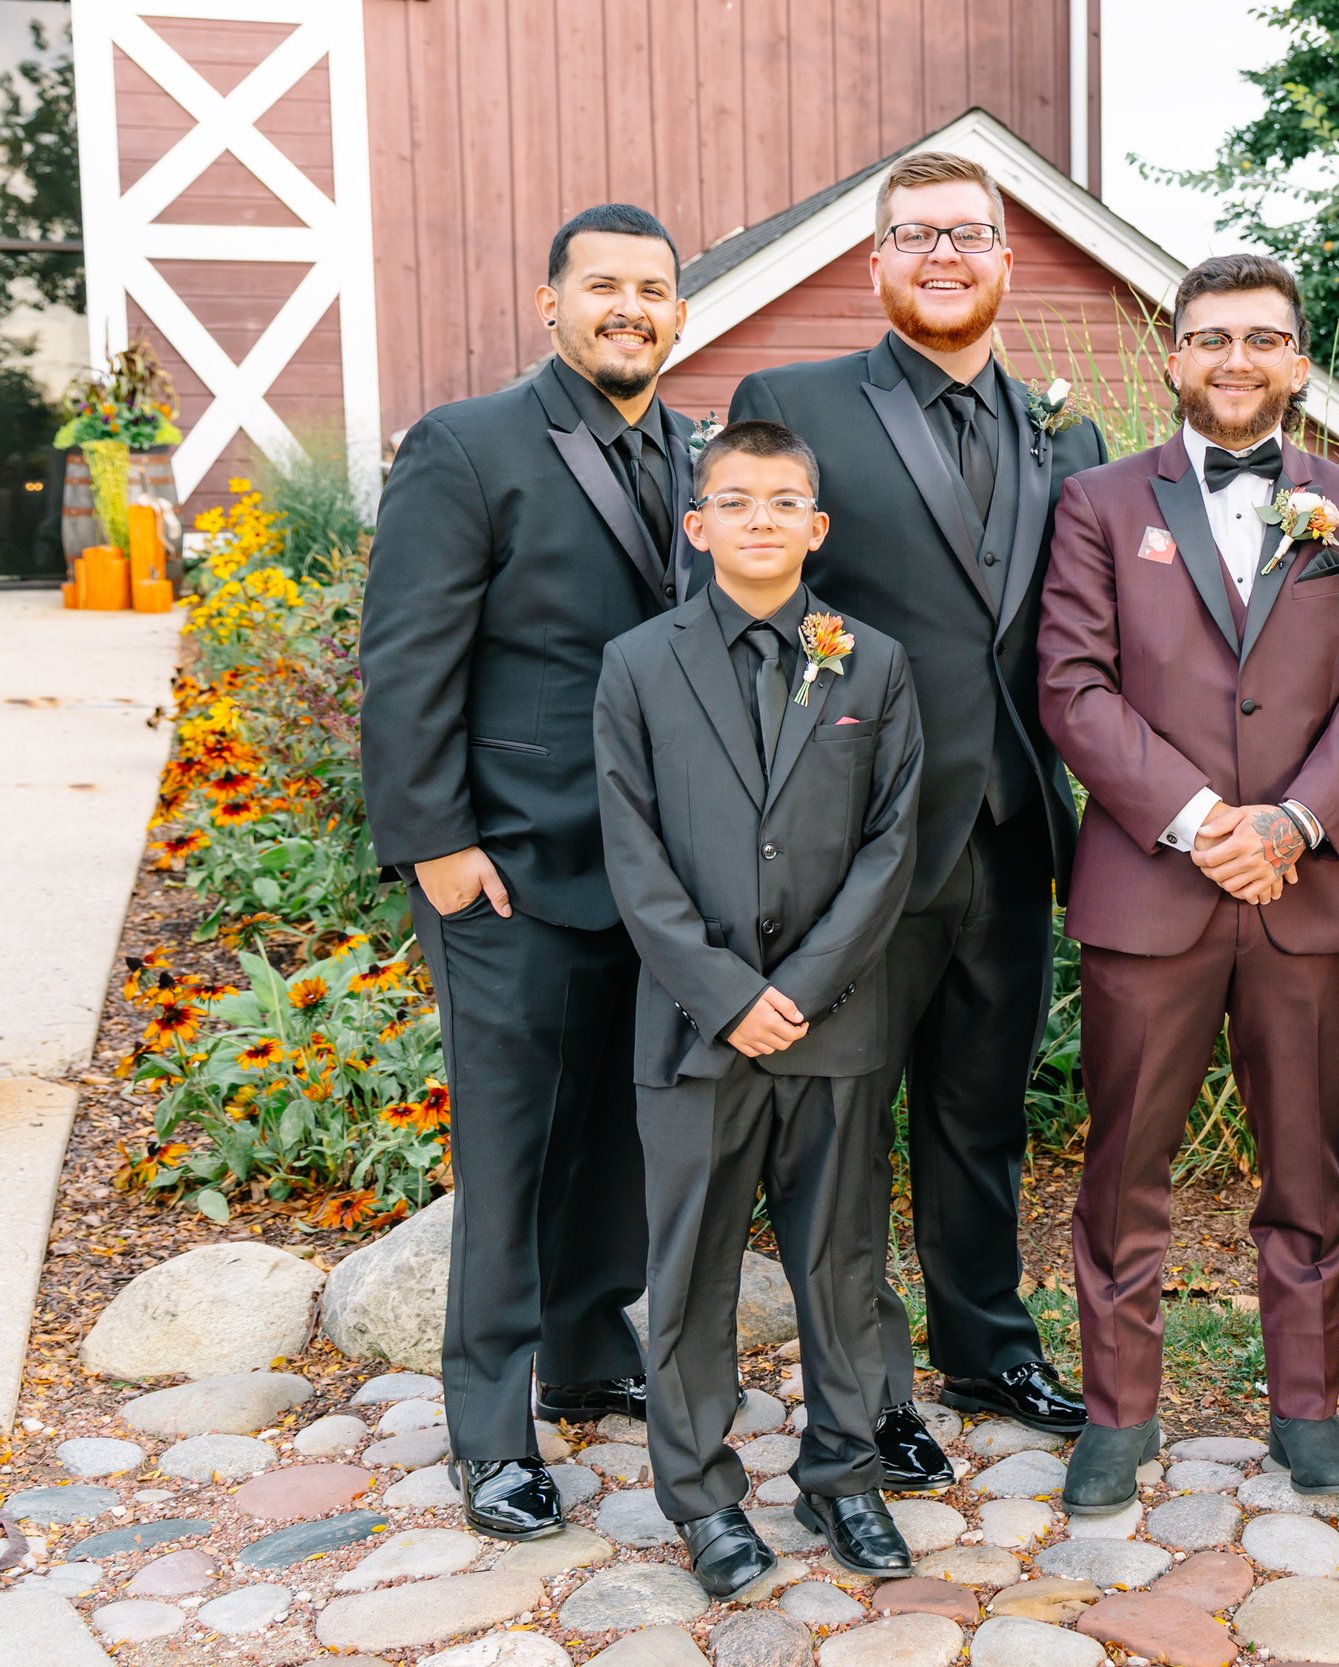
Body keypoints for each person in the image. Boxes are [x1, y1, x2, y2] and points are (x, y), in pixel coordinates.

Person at [730, 152, 1103, 1481]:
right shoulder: (795, 402)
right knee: (841, 1127)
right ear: (876, 260)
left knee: (980, 1111)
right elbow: (746, 612)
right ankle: (865, 1386)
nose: (943, 254)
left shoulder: (1068, 435)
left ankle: (986, 1343)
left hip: (1010, 829)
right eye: (915, 234)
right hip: (855, 843)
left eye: (967, 234)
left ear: (1005, 258)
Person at [1036, 253, 1339, 1511]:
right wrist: (1202, 822)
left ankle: (1306, 1404)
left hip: (1305, 894)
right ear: (1175, 356)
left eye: (1261, 338)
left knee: (1306, 1162)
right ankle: (1116, 1410)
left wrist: (1294, 822)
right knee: (1122, 1164)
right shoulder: (1096, 502)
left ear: (1297, 360)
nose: (1235, 359)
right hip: (1151, 888)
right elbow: (1073, 684)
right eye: (1211, 337)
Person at [360, 203, 697, 1540]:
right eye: (603, 285)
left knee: (615, 1130)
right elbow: (406, 658)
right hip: (503, 866)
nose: (629, 307)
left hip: (653, 870)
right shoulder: (468, 444)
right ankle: (491, 1427)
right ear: (549, 303)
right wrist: (436, 845)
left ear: (680, 314)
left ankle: (589, 1346)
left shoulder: (698, 453)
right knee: (509, 1148)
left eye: (652, 289)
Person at [592, 419, 922, 1589]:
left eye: (785, 501)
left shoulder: (871, 662)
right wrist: (729, 994)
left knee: (840, 1259)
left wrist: (803, 986)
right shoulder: (638, 663)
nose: (761, 519)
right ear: (698, 524)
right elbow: (632, 849)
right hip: (695, 1028)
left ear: (816, 526)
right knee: (690, 1269)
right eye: (735, 501)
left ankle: (844, 1474)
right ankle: (701, 1497)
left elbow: (890, 843)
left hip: (834, 1023)